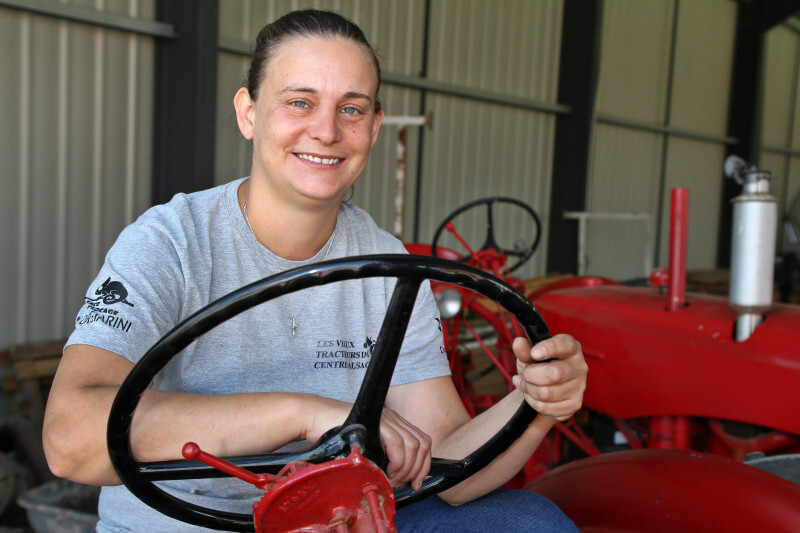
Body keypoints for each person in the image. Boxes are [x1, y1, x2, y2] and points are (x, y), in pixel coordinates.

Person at [42, 9, 587, 532]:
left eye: (351, 109)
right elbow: (70, 440)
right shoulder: (172, 242)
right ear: (248, 112)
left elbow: (449, 469)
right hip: (189, 525)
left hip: (343, 519)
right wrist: (304, 416)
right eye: (300, 102)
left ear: (374, 126)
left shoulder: (387, 264)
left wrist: (535, 403)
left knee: (531, 522)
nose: (326, 131)